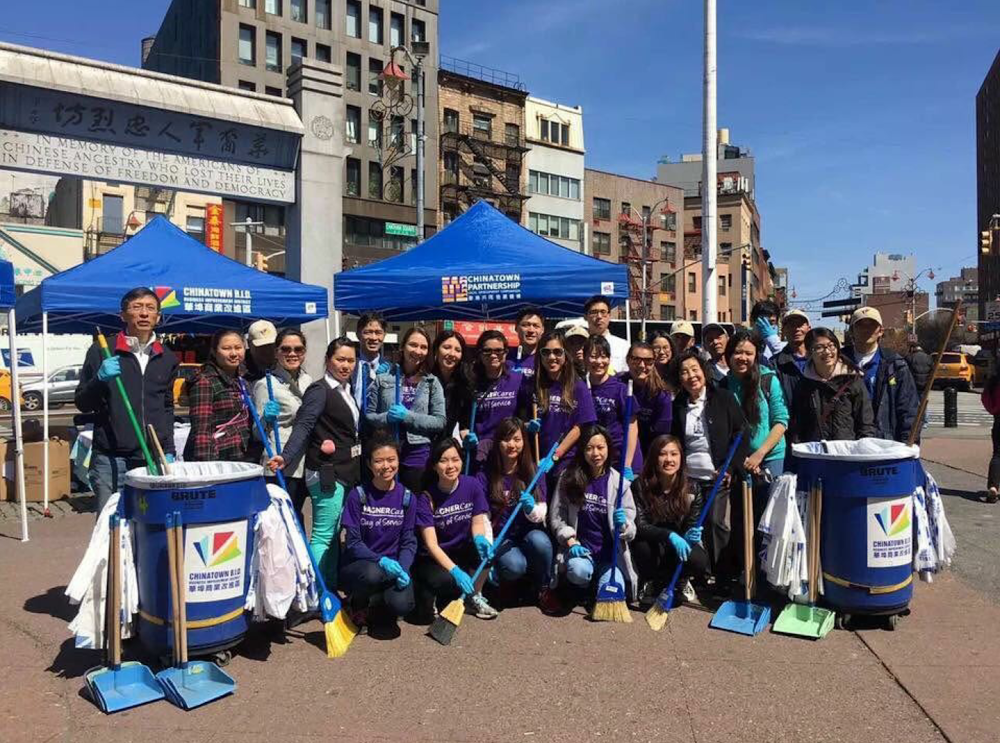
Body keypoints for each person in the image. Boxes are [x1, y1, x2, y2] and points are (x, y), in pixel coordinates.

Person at [268, 337, 362, 587]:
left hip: (346, 471)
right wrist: (286, 456)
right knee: (323, 535)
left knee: (333, 533)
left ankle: (328, 586)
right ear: (328, 359)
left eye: (351, 360)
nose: (346, 365)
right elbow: (304, 424)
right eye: (340, 359)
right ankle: (316, 590)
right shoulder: (320, 390)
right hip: (326, 473)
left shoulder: (347, 389)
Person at [75, 287, 178, 513]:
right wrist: (99, 379)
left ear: (158, 317)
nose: (144, 313)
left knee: (150, 521)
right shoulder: (103, 350)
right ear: (123, 315)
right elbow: (83, 403)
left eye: (150, 308)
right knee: (110, 522)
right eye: (136, 307)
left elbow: (167, 406)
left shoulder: (167, 357)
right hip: (112, 457)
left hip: (153, 456)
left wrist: (168, 448)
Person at [671, 350, 748, 580]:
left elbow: (741, 433)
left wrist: (730, 467)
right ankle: (697, 573)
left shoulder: (723, 398)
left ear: (704, 372)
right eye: (684, 372)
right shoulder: (678, 404)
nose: (691, 376)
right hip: (688, 479)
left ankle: (722, 575)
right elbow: (675, 440)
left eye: (695, 370)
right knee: (690, 525)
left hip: (718, 476)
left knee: (717, 524)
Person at [338, 430, 417, 634]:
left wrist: (403, 568)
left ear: (398, 461)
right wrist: (380, 560)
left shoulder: (407, 498)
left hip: (393, 566)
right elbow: (353, 543)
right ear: (369, 464)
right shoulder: (358, 495)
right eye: (379, 461)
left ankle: (378, 601)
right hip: (362, 566)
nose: (386, 466)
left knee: (403, 606)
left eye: (391, 460)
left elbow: (408, 541)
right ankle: (358, 602)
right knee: (372, 574)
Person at [411, 438, 498, 623]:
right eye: (444, 461)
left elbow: (477, 523)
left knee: (486, 553)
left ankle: (475, 596)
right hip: (433, 558)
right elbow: (432, 545)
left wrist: (480, 539)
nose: (451, 466)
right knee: (445, 582)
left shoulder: (472, 485)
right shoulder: (426, 497)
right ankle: (434, 594)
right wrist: (455, 571)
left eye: (455, 459)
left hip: (460, 551)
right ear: (434, 466)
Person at [550, 424, 638, 605]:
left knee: (612, 599)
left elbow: (631, 529)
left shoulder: (620, 483)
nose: (595, 453)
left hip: (610, 558)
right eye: (589, 448)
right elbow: (557, 516)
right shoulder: (568, 478)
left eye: (600, 447)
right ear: (582, 451)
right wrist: (570, 541)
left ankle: (597, 585)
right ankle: (582, 587)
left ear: (608, 448)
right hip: (581, 553)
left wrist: (625, 525)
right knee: (578, 571)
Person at [476, 417, 554, 607]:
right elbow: (483, 516)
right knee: (515, 566)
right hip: (501, 537)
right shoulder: (486, 475)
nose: (512, 445)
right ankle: (509, 583)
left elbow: (542, 512)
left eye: (517, 439)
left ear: (524, 442)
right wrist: (487, 550)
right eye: (506, 439)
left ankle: (543, 586)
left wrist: (531, 508)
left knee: (541, 542)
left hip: (527, 532)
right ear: (497, 442)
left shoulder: (534, 471)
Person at [631, 435, 709, 605]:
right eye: (662, 454)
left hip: (678, 544)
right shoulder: (640, 485)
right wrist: (669, 535)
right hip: (653, 542)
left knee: (698, 559)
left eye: (674, 454)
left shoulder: (693, 488)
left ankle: (681, 580)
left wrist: (690, 534)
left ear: (681, 457)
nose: (669, 460)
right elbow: (640, 526)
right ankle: (651, 581)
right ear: (654, 458)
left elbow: (691, 524)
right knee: (642, 548)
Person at [365, 327, 446, 492]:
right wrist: (386, 418)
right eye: (413, 345)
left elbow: (440, 421)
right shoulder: (383, 378)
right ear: (403, 346)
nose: (418, 351)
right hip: (386, 449)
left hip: (417, 453)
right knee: (387, 497)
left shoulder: (432, 382)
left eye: (423, 347)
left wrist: (407, 416)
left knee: (414, 498)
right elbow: (369, 415)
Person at [724, 329, 789, 518]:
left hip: (770, 456)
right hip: (739, 460)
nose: (742, 358)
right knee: (742, 518)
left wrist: (759, 455)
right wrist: (740, 458)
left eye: (748, 353)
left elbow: (781, 422)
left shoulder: (768, 380)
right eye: (738, 352)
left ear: (756, 356)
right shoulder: (723, 384)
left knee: (769, 518)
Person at [253, 329, 312, 523]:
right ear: (276, 352)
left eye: (298, 349)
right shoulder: (265, 385)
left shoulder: (307, 380)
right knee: (283, 520)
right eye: (286, 349)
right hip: (281, 462)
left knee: (298, 516)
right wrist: (265, 418)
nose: (292, 354)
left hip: (306, 461)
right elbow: (257, 433)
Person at [529, 331, 597, 484]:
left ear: (566, 355)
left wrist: (556, 455)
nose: (552, 357)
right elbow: (520, 419)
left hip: (566, 462)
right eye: (546, 352)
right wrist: (528, 426)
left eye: (557, 352)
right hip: (536, 461)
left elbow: (580, 426)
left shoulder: (578, 386)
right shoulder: (533, 385)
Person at [843, 307, 919, 443]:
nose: (866, 330)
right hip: (846, 442)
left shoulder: (895, 364)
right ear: (852, 331)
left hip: (883, 442)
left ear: (880, 331)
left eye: (872, 326)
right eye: (860, 326)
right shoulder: (839, 361)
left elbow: (909, 409)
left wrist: (908, 443)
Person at [789, 328, 876, 443]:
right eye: (819, 347)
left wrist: (864, 447)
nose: (827, 352)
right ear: (809, 352)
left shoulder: (852, 380)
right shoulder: (804, 384)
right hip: (815, 451)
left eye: (831, 346)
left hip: (847, 450)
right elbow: (798, 425)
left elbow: (865, 423)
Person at [185, 329, 253, 462]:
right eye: (226, 348)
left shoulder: (243, 379)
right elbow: (201, 430)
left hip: (240, 456)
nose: (234, 353)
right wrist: (206, 465)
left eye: (238, 348)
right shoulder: (205, 381)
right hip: (217, 459)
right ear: (214, 352)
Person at [467, 329, 532, 469]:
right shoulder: (472, 382)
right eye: (487, 351)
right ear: (480, 353)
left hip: (510, 451)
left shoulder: (518, 379)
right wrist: (467, 438)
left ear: (506, 352)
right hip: (482, 453)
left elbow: (524, 417)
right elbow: (464, 422)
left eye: (498, 350)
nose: (493, 355)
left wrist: (529, 426)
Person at [586, 336, 639, 478]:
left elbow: (632, 427)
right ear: (585, 359)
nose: (599, 362)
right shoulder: (581, 388)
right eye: (593, 356)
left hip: (621, 460)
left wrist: (627, 465)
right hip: (596, 460)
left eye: (603, 357)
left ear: (609, 359)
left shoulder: (620, 389)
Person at [625, 342, 673, 472]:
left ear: (654, 363)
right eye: (636, 360)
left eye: (648, 361)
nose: (642, 365)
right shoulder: (618, 384)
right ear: (628, 360)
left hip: (648, 456)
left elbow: (661, 436)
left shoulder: (662, 395)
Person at [431, 329, 474, 438]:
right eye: (446, 348)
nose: (452, 354)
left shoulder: (465, 383)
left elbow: (464, 423)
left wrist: (467, 435)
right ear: (436, 350)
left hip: (446, 442)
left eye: (457, 350)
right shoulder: (426, 379)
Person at [351, 312, 392, 411]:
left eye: (378, 333)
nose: (374, 338)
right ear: (358, 335)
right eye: (368, 332)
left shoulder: (391, 370)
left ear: (384, 335)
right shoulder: (349, 366)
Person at [773, 309, 811, 413]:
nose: (796, 329)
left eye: (800, 324)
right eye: (791, 325)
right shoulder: (775, 364)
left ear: (809, 328)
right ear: (783, 330)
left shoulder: (820, 359)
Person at [584, 295, 629, 373]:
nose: (599, 316)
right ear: (585, 317)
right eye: (594, 312)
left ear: (609, 316)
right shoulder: (581, 344)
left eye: (603, 312)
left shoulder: (623, 346)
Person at [507, 307, 545, 379]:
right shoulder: (505, 356)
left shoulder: (546, 358)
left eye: (536, 326)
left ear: (542, 330)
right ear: (516, 328)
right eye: (526, 325)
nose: (531, 330)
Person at [981, 370, 1000, 502]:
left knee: (997, 454)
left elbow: (985, 397)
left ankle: (993, 486)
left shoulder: (994, 380)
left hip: (998, 418)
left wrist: (993, 410)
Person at [244, 319, 277, 384]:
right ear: (249, 344)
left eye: (270, 345)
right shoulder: (241, 371)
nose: (267, 350)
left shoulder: (283, 364)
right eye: (261, 346)